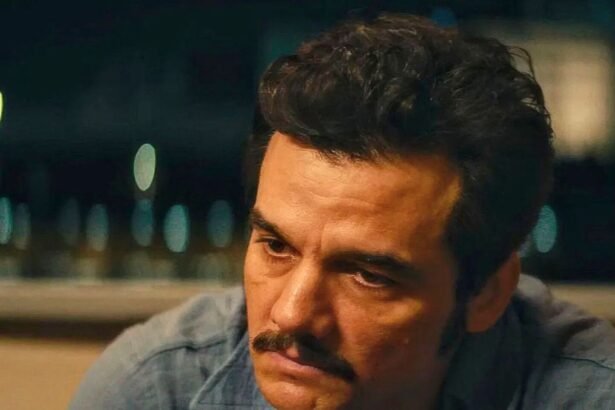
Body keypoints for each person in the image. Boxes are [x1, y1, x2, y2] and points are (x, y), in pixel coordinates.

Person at [70, 13, 615, 410]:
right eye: (276, 246)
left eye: (368, 275)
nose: (291, 314)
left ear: (486, 294)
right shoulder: (157, 389)